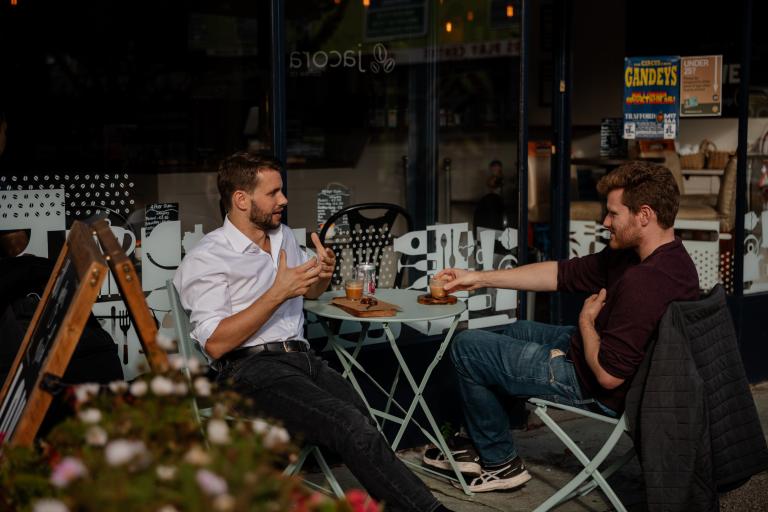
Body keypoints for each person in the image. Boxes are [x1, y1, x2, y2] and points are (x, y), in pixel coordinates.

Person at [174, 152, 452, 512]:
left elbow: (311, 293)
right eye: (273, 193)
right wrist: (277, 292)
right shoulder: (208, 258)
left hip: (304, 359)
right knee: (351, 425)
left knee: (364, 424)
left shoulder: (284, 236)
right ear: (241, 199)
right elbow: (215, 343)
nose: (284, 200)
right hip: (250, 370)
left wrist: (321, 274)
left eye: (282, 191)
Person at [423, 161, 699, 492]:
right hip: (588, 350)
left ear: (643, 214)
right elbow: (559, 274)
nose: (604, 222)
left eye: (613, 214)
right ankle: (478, 443)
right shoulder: (661, 257)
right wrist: (478, 278)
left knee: (467, 348)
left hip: (593, 382)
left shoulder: (646, 282)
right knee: (514, 330)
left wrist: (585, 322)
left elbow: (609, 376)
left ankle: (499, 462)